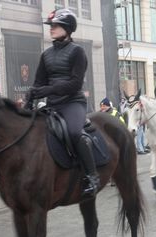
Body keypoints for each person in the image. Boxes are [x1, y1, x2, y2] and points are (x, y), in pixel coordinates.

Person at [24, 9, 99, 197]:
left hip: (73, 103)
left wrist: (47, 90)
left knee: (74, 132)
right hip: (52, 104)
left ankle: (92, 176)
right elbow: (39, 82)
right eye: (51, 26)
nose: (51, 29)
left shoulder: (77, 52)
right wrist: (31, 97)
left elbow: (75, 84)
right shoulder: (46, 54)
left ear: (67, 28)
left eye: (55, 26)